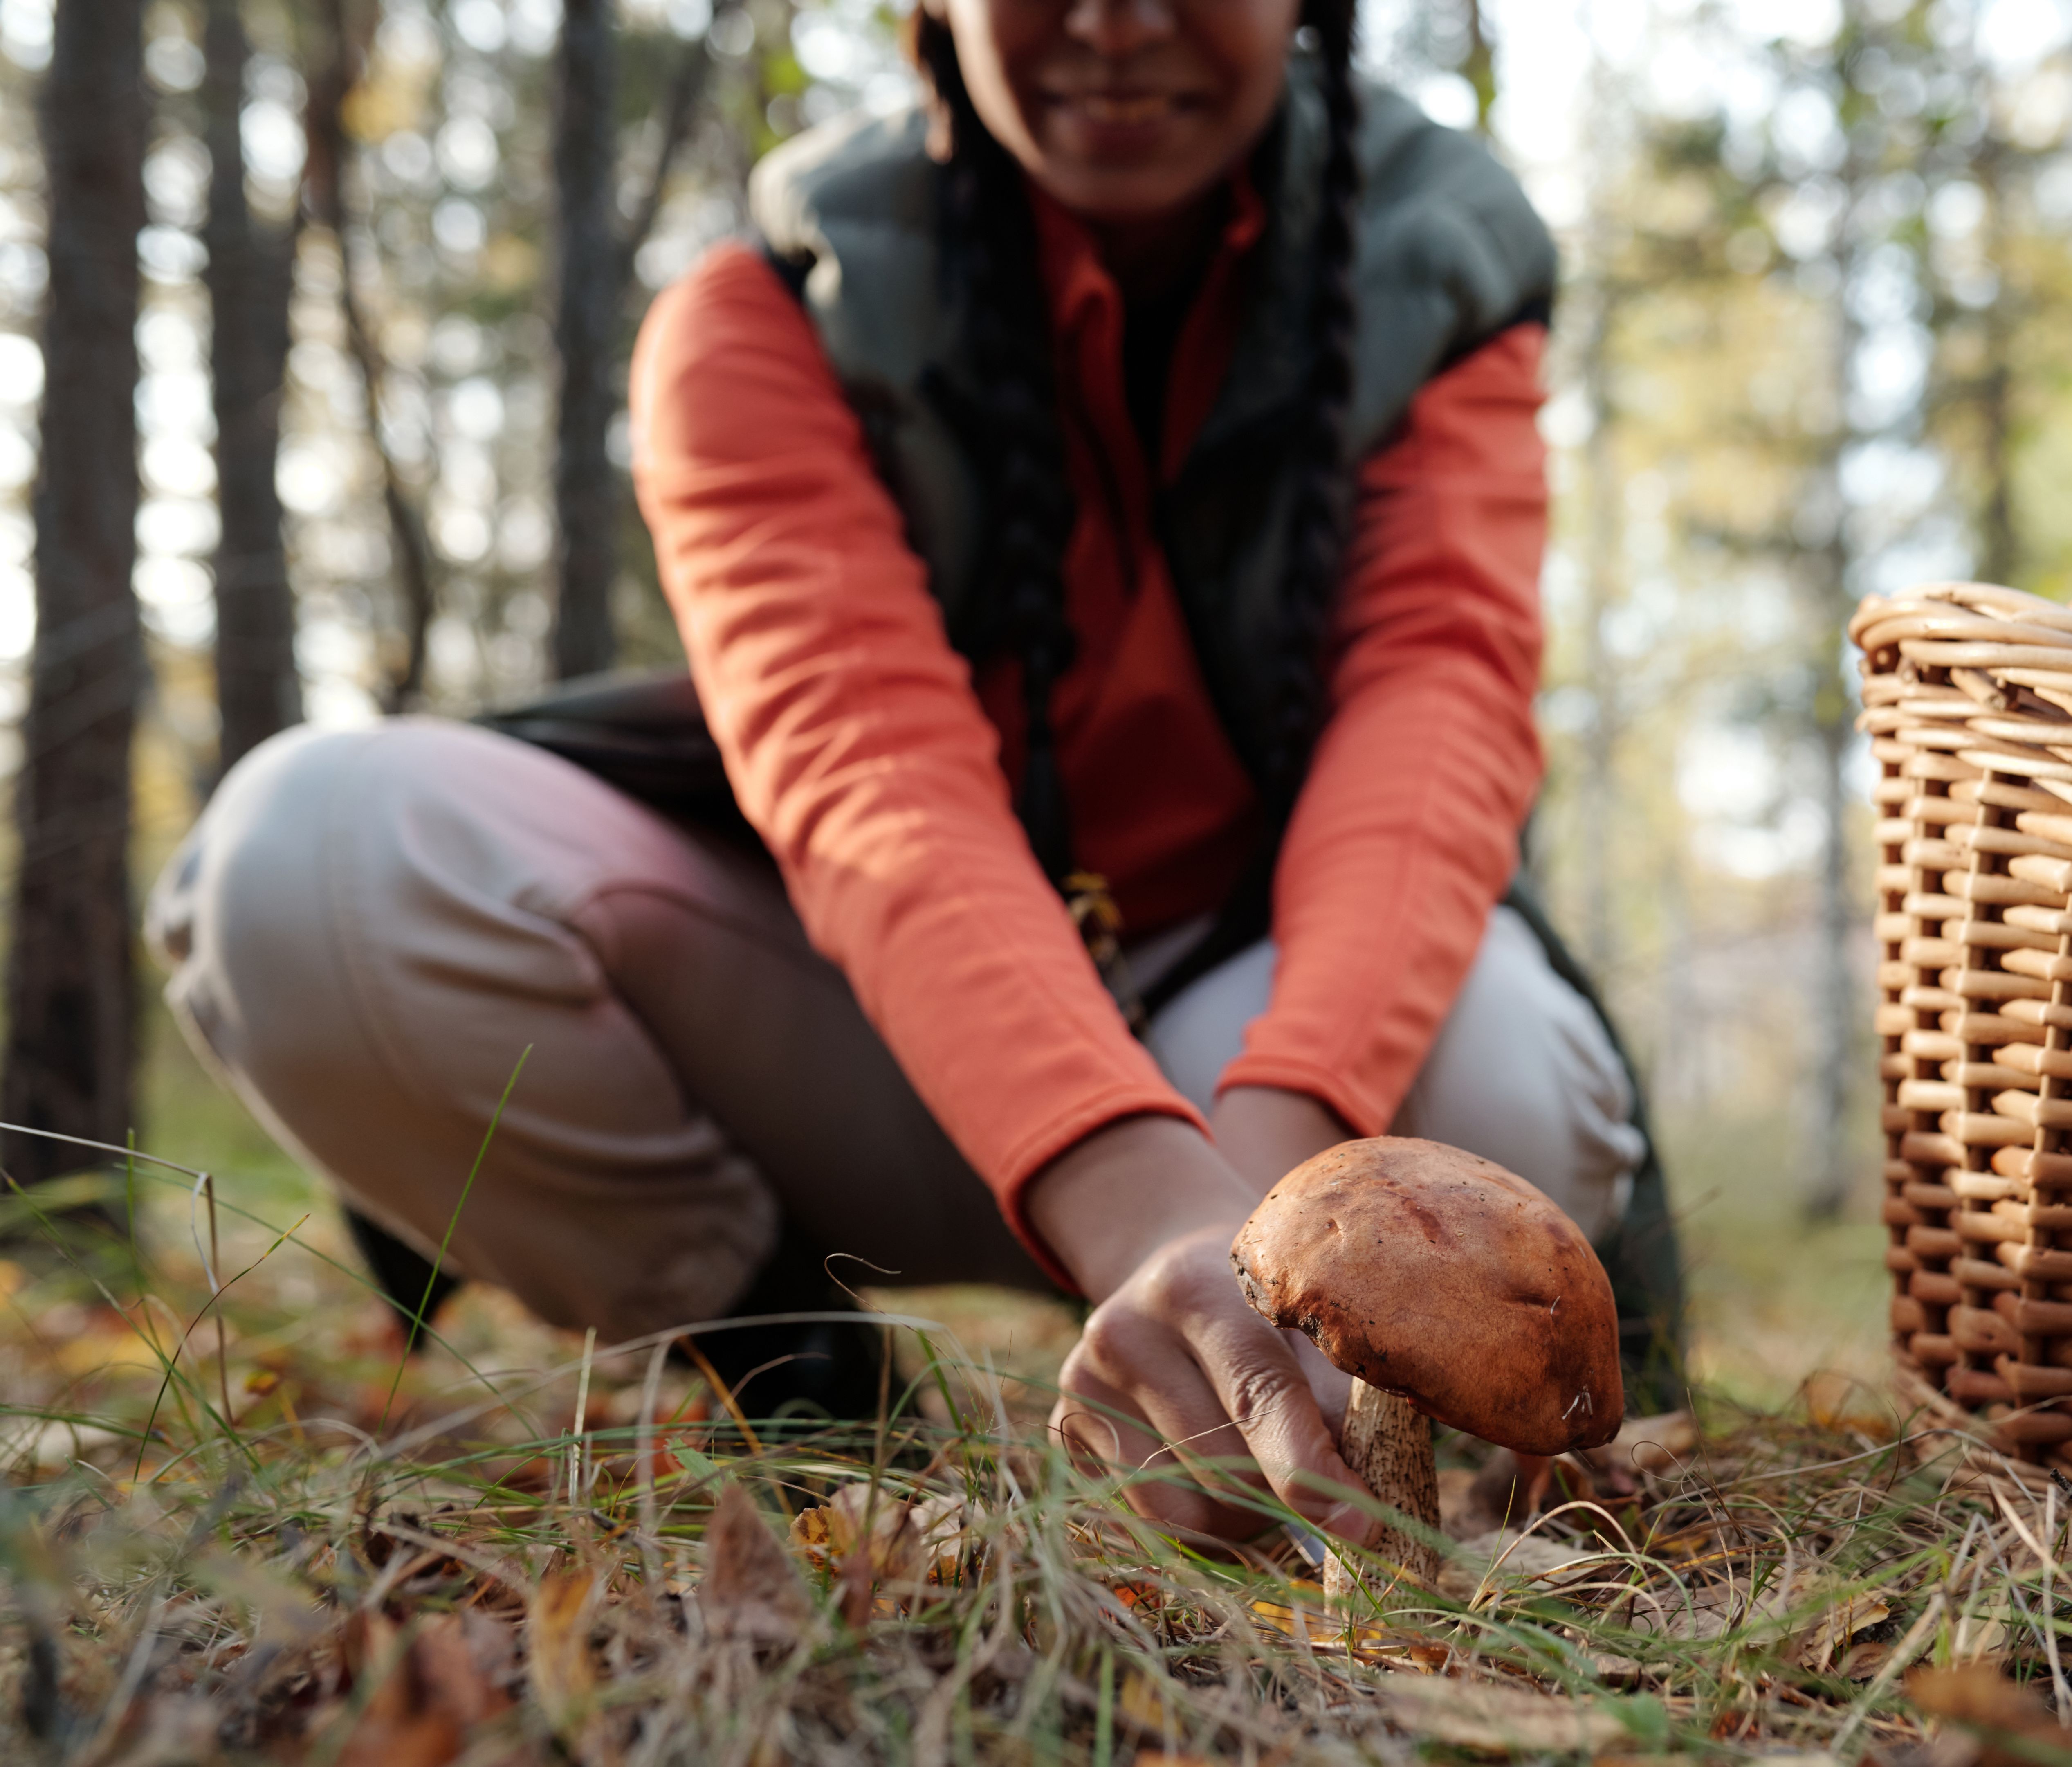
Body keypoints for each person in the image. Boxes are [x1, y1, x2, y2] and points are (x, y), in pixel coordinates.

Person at [147, 0, 1677, 1547]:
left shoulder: (1447, 264)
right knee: (308, 862)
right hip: (850, 1026)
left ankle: (1279, 1431)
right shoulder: (766, 308)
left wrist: (1275, 1211)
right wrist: (1152, 1209)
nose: (1117, 22)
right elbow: (862, 764)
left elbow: (1433, 704)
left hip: (1245, 1015)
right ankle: (786, 1364)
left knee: (1507, 1094)